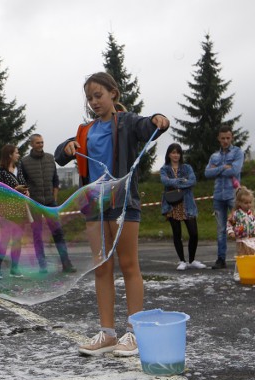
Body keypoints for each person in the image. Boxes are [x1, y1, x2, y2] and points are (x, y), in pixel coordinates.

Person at [54, 72, 169, 357]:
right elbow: (59, 155)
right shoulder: (86, 130)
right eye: (90, 98)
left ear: (113, 94)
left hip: (123, 204)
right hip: (95, 207)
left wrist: (158, 118)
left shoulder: (126, 122)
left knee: (129, 265)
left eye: (99, 96)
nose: (94, 102)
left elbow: (147, 126)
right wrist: (67, 148)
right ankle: (107, 333)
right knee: (102, 267)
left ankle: (134, 332)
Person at [20, 134, 76, 273]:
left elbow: (55, 180)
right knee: (37, 235)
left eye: (42, 142)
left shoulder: (50, 158)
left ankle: (66, 264)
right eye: (38, 143)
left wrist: (54, 199)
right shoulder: (25, 161)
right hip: (35, 204)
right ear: (32, 144)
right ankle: (42, 266)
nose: (41, 145)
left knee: (58, 233)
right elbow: (23, 183)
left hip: (51, 203)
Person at [159, 143, 206, 271]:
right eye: (173, 152)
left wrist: (176, 182)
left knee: (194, 233)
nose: (176, 155)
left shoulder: (187, 167)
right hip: (172, 205)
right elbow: (165, 181)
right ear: (169, 154)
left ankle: (192, 260)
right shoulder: (164, 169)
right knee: (177, 234)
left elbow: (193, 181)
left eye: (178, 152)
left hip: (187, 204)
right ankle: (182, 260)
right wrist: (182, 181)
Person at [204, 125, 244, 270]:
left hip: (233, 195)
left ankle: (243, 257)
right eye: (223, 138)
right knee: (221, 229)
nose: (225, 141)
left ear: (231, 137)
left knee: (239, 227)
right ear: (218, 139)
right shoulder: (214, 156)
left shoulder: (238, 152)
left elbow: (235, 170)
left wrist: (217, 169)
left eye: (228, 138)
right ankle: (221, 259)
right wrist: (223, 167)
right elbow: (207, 173)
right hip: (218, 196)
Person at [0, 144, 29, 279]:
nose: (18, 155)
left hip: (20, 210)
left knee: (17, 240)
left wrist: (26, 190)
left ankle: (14, 268)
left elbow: (23, 182)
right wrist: (15, 189)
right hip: (5, 211)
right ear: (9, 154)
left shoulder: (18, 169)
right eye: (16, 152)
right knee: (5, 240)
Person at [227, 186, 255, 281]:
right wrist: (231, 232)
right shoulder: (236, 214)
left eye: (250, 202)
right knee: (242, 256)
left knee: (254, 255)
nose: (248, 205)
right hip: (241, 239)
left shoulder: (253, 213)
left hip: (252, 239)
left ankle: (254, 272)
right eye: (245, 203)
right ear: (239, 203)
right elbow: (230, 224)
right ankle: (238, 273)